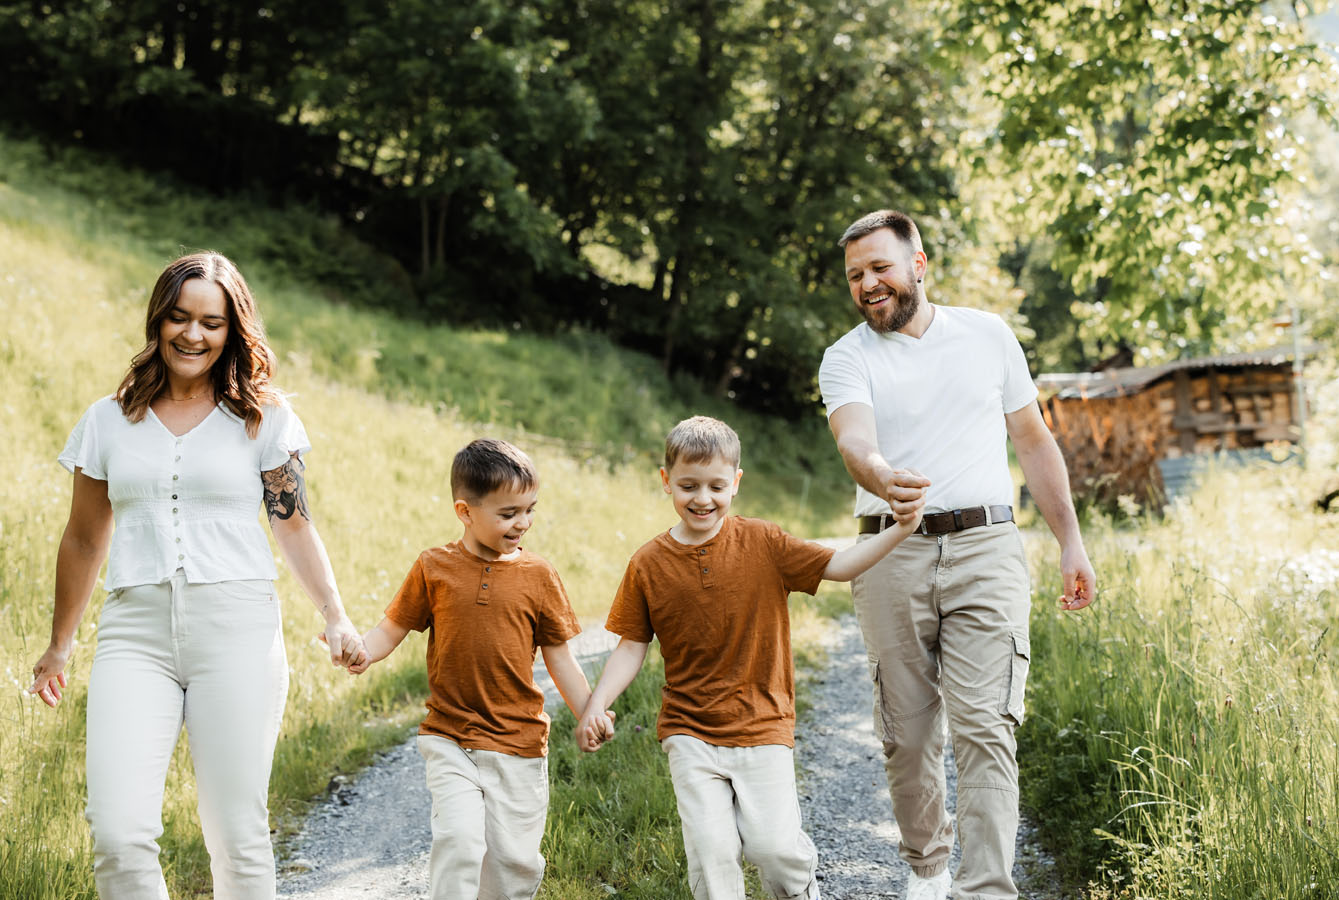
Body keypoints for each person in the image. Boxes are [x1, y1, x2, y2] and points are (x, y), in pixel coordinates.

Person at [27, 251, 366, 899]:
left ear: (232, 330)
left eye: (211, 322)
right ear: (158, 321)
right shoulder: (108, 420)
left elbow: (292, 523)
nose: (192, 334)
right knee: (119, 834)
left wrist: (334, 615)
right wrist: (59, 643)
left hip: (236, 631)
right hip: (135, 635)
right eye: (179, 318)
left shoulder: (262, 419)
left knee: (236, 833)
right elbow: (82, 537)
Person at [818, 209, 1096, 900]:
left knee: (986, 729)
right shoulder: (846, 355)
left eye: (879, 267)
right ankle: (929, 870)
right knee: (907, 736)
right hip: (890, 550)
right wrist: (882, 474)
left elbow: (1032, 441)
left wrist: (1071, 541)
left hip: (988, 547)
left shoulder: (988, 335)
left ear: (918, 263)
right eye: (855, 276)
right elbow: (855, 440)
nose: (868, 284)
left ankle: (987, 889)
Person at [574, 415, 925, 900]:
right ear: (665, 482)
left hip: (762, 724)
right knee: (712, 854)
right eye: (688, 485)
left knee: (775, 849)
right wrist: (596, 704)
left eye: (716, 485)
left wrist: (899, 531)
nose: (702, 498)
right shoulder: (647, 564)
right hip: (688, 730)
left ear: (735, 483)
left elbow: (839, 566)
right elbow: (632, 645)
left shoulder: (764, 542)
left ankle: (801, 891)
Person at [346, 437, 597, 900]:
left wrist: (590, 710)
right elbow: (391, 628)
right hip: (450, 737)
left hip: (518, 743)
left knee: (513, 864)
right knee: (459, 843)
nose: (522, 523)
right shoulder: (434, 568)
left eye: (530, 509)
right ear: (465, 512)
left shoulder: (539, 576)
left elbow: (560, 657)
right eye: (508, 514)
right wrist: (362, 651)